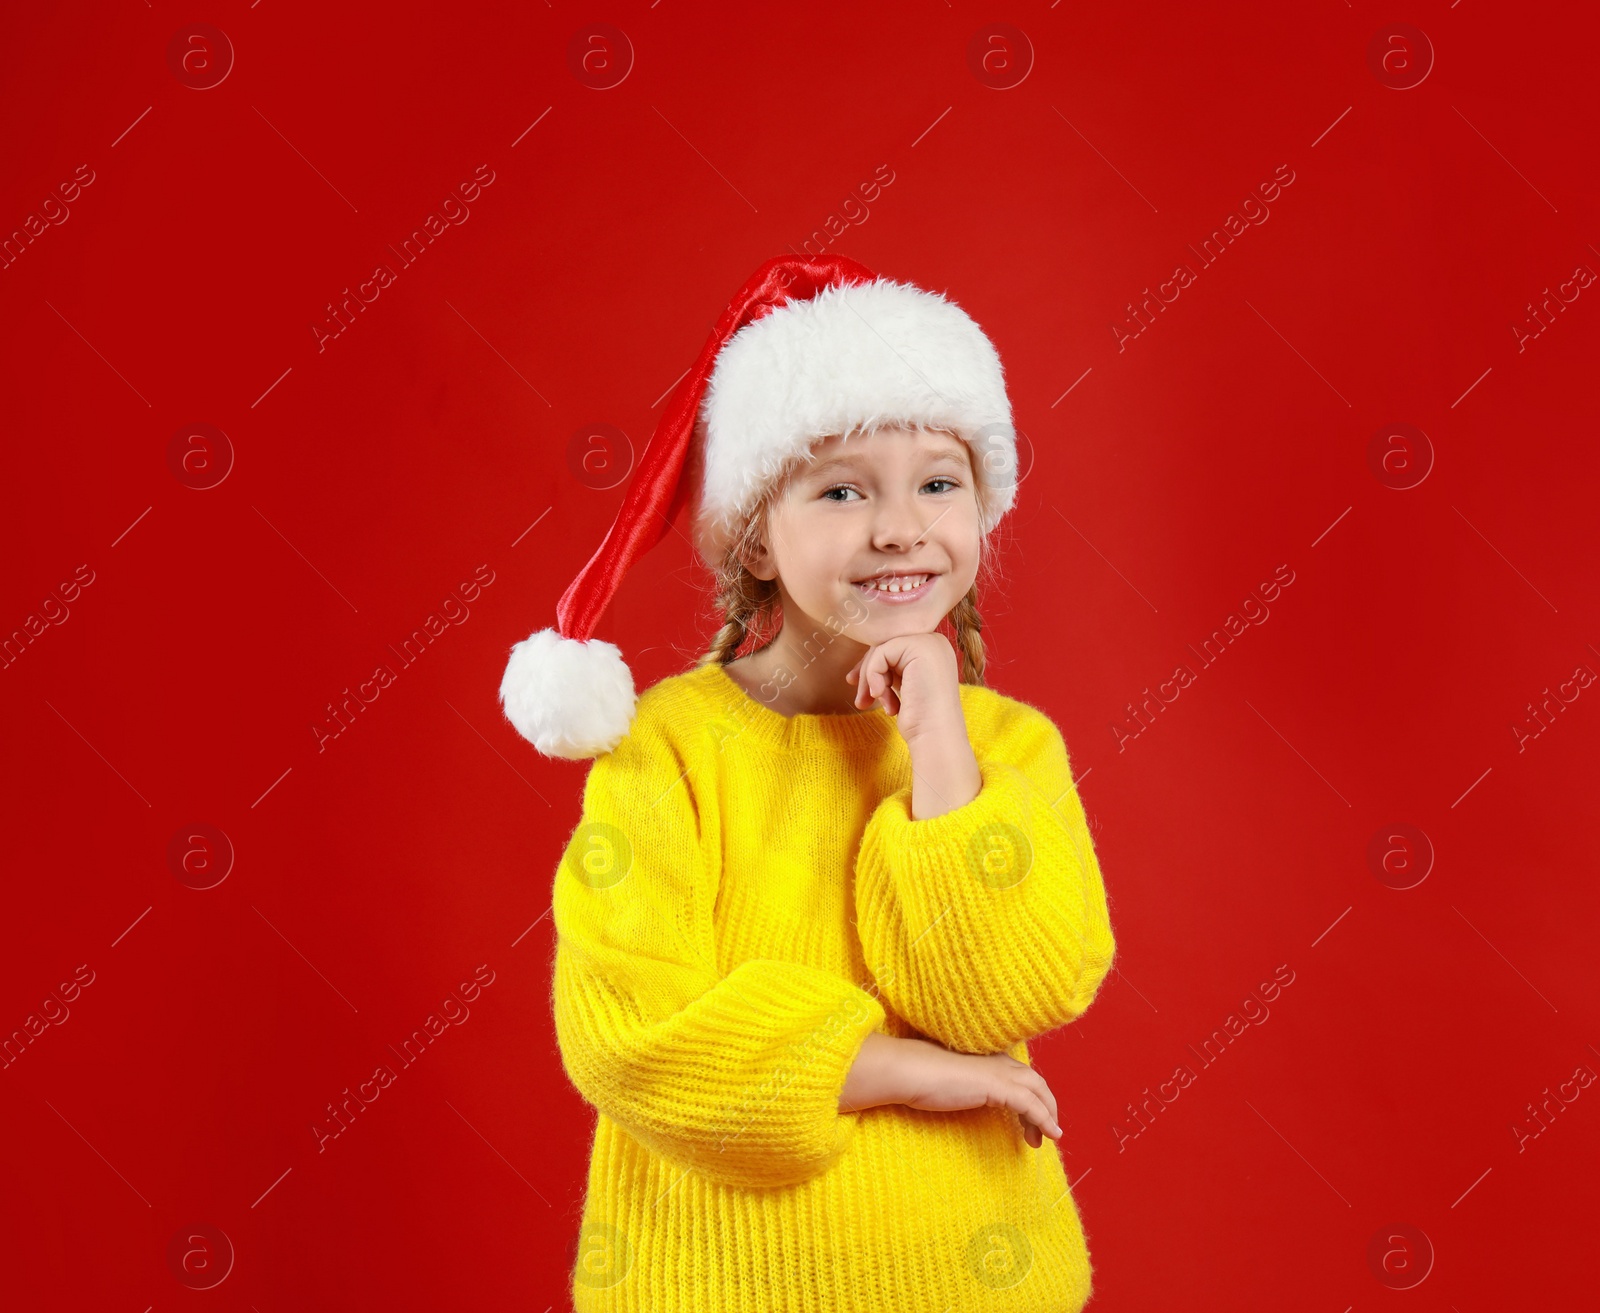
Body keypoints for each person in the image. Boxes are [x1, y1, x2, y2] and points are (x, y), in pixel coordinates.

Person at [498, 254, 1118, 1312]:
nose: (898, 526)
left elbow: (1008, 990)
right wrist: (908, 1070)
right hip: (720, 1286)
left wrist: (935, 742)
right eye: (841, 488)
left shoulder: (1008, 749)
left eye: (938, 479)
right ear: (754, 536)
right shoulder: (671, 749)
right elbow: (627, 1026)